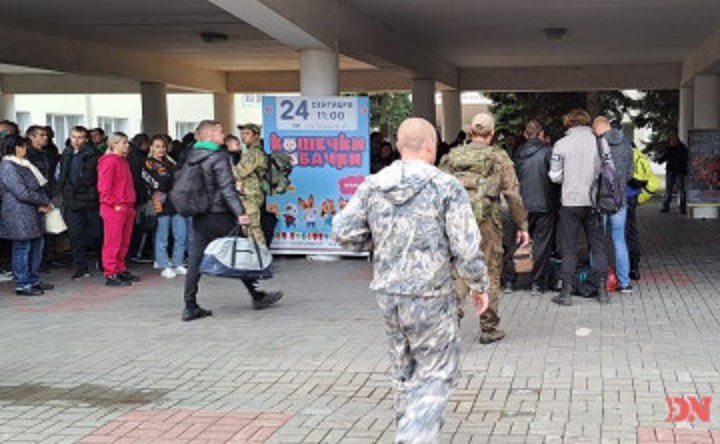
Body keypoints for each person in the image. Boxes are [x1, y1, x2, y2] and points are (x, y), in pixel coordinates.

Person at [332, 117, 489, 443]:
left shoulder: (373, 184)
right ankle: (414, 435)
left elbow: (344, 233)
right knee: (435, 374)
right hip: (432, 295)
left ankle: (410, 429)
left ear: (400, 146)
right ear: (431, 146)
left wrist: (377, 242)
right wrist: (479, 285)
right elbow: (466, 246)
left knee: (403, 372)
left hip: (389, 294)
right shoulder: (445, 186)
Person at [440, 112, 529, 345]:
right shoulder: (499, 157)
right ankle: (489, 328)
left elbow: (437, 190)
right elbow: (512, 193)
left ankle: (450, 320)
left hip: (457, 224)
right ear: (492, 134)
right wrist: (523, 225)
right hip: (487, 223)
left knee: (460, 270)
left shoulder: (453, 156)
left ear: (470, 133)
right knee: (490, 271)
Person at [182, 120, 282, 322]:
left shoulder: (190, 155)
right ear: (209, 135)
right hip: (219, 214)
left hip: (200, 215)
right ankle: (257, 296)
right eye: (219, 132)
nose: (223, 135)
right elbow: (227, 188)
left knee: (195, 260)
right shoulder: (219, 157)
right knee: (240, 249)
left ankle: (189, 306)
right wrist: (240, 212)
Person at [549, 109, 609, 305]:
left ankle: (566, 292)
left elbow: (554, 176)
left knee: (569, 248)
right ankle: (602, 291)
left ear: (568, 123)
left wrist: (570, 179)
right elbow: (608, 170)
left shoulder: (561, 144)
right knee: (598, 246)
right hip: (594, 203)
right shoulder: (600, 142)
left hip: (570, 202)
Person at [0, 135, 54, 296]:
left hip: (32, 210)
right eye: (22, 146)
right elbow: (21, 192)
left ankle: (33, 279)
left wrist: (43, 202)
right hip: (18, 211)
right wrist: (43, 201)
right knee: (22, 247)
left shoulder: (23, 164)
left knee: (37, 245)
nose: (25, 149)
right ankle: (22, 284)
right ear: (13, 147)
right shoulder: (8, 166)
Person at [514, 120, 559, 295]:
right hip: (544, 204)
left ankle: (510, 279)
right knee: (542, 244)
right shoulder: (548, 151)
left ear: (525, 134)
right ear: (541, 134)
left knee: (517, 240)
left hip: (522, 204)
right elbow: (555, 179)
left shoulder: (518, 152)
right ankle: (537, 283)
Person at [593, 117, 634, 293]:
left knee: (597, 242)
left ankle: (597, 281)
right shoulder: (626, 143)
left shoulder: (598, 144)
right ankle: (624, 283)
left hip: (601, 201)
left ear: (597, 129)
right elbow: (631, 173)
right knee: (619, 241)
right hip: (620, 200)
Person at [57, 126, 103, 280]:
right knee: (75, 235)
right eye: (73, 137)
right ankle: (80, 268)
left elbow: (96, 178)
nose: (76, 140)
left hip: (90, 200)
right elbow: (62, 176)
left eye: (80, 137)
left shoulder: (94, 155)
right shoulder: (66, 153)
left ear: (86, 139)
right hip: (72, 200)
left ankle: (102, 260)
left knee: (97, 234)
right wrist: (63, 192)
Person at [142, 135, 188, 279]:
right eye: (157, 146)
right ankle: (163, 264)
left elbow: (181, 179)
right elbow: (159, 182)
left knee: (181, 234)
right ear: (151, 148)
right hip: (160, 203)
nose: (161, 149)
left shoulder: (171, 162)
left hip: (176, 202)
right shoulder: (148, 163)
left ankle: (177, 262)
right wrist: (171, 182)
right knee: (162, 235)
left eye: (163, 146)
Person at [97, 132, 139, 287]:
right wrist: (114, 204)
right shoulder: (109, 161)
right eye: (124, 142)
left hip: (125, 205)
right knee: (113, 242)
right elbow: (104, 187)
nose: (127, 145)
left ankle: (120, 269)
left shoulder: (122, 161)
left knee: (123, 241)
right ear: (114, 144)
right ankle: (111, 272)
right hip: (115, 207)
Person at [234, 123, 268, 245]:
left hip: (251, 194)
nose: (243, 137)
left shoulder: (254, 153)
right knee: (249, 228)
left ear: (256, 136)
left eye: (247, 134)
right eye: (242, 134)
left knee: (253, 228)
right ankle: (256, 257)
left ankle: (262, 257)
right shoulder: (250, 152)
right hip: (250, 193)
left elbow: (239, 172)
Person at [659, 132, 689, 214]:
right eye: (670, 141)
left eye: (672, 141)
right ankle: (667, 207)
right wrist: (660, 160)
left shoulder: (682, 149)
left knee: (680, 190)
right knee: (669, 190)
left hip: (678, 172)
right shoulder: (670, 149)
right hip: (672, 171)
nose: (671, 142)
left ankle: (682, 208)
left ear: (676, 141)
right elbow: (665, 157)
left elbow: (685, 160)